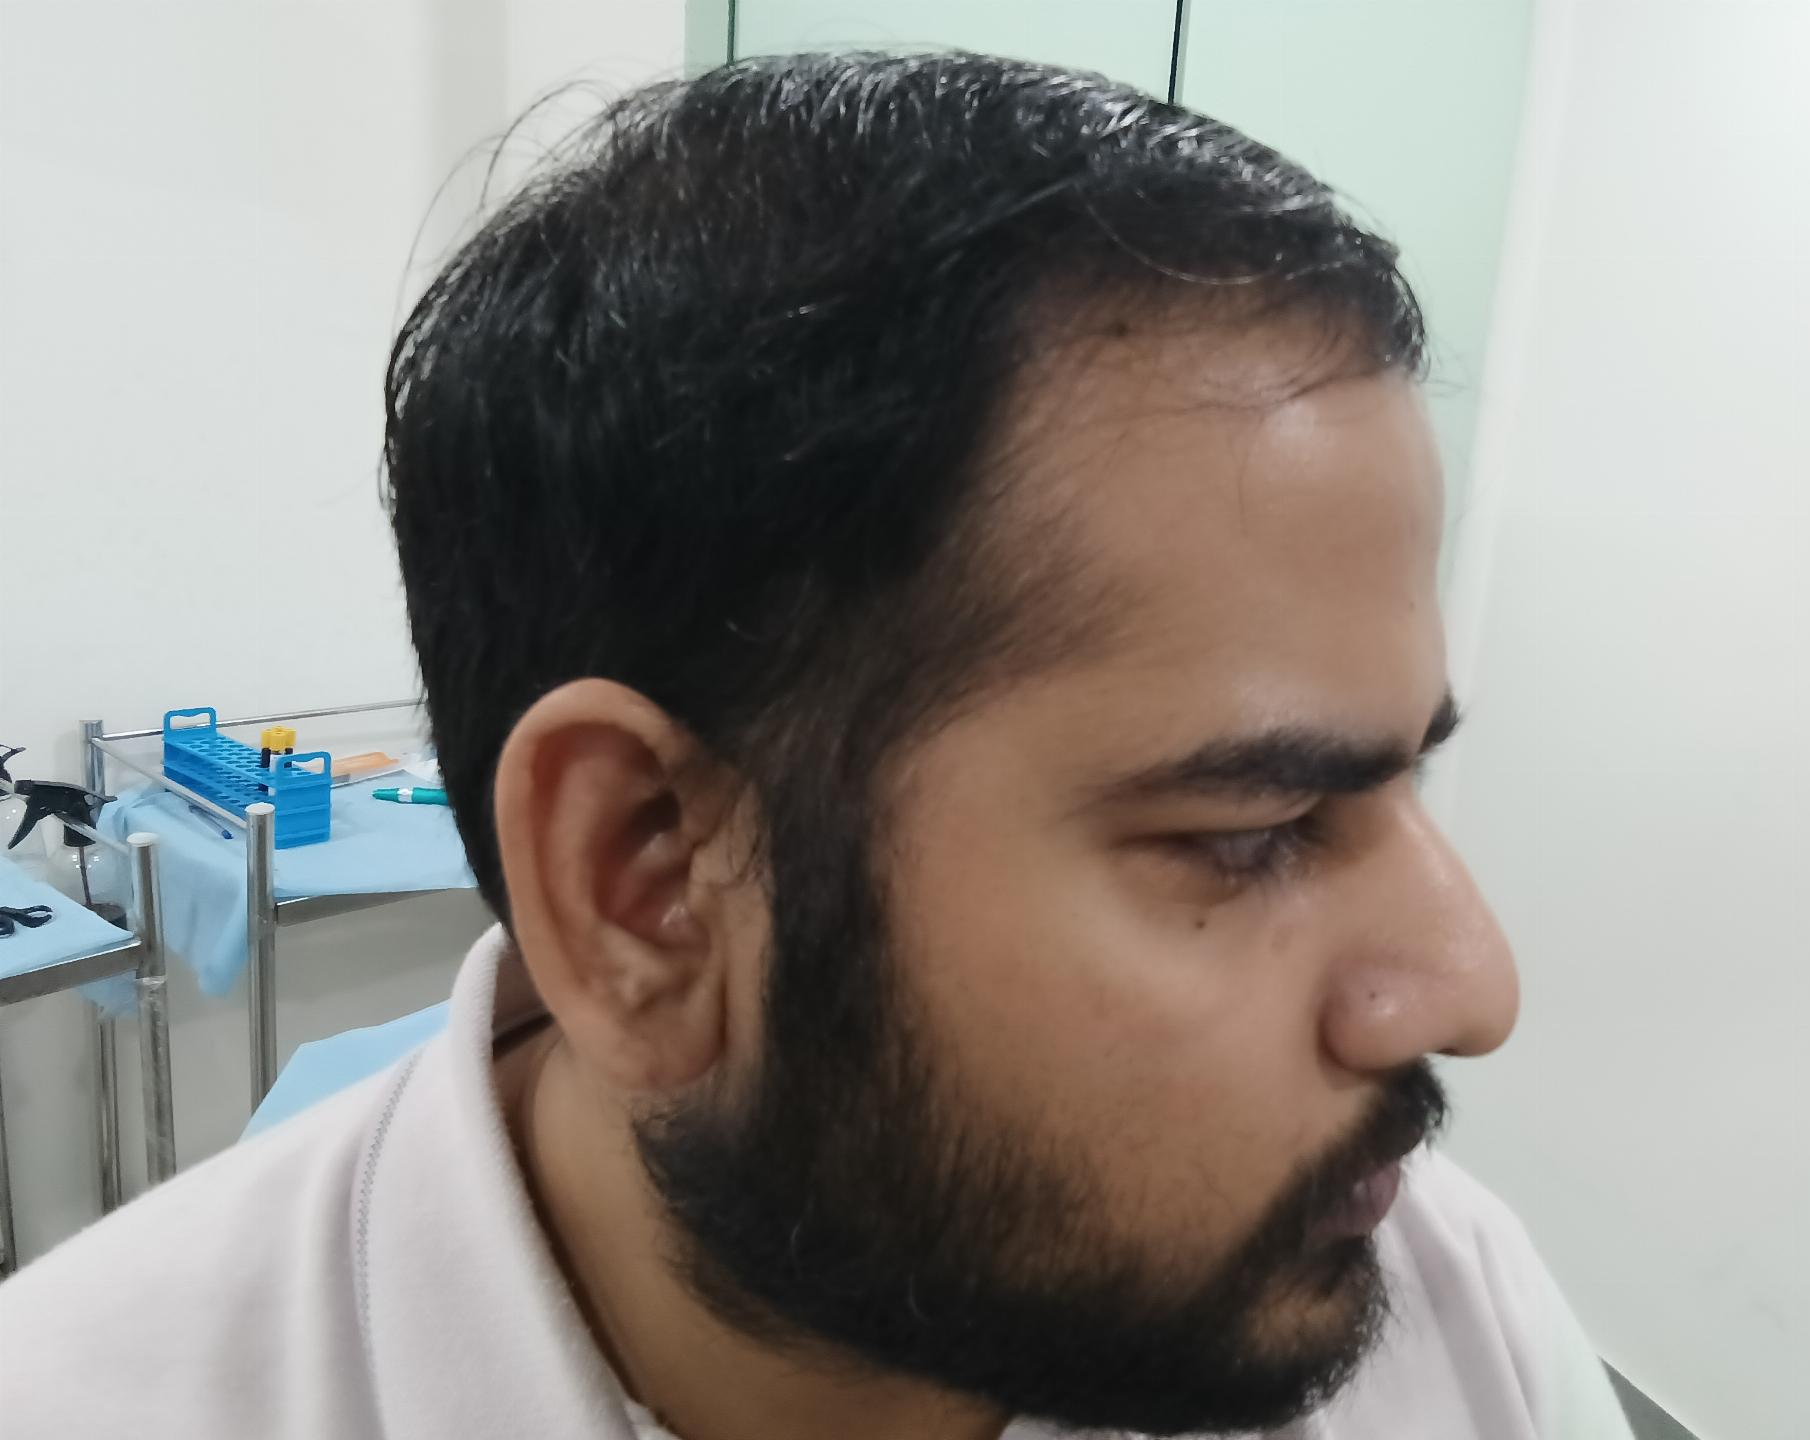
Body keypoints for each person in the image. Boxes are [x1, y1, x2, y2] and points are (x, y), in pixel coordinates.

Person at [0, 52, 1634, 1440]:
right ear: (646, 884)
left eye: (1405, 778)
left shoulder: (1447, 1321)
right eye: (1251, 830)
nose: (1473, 988)